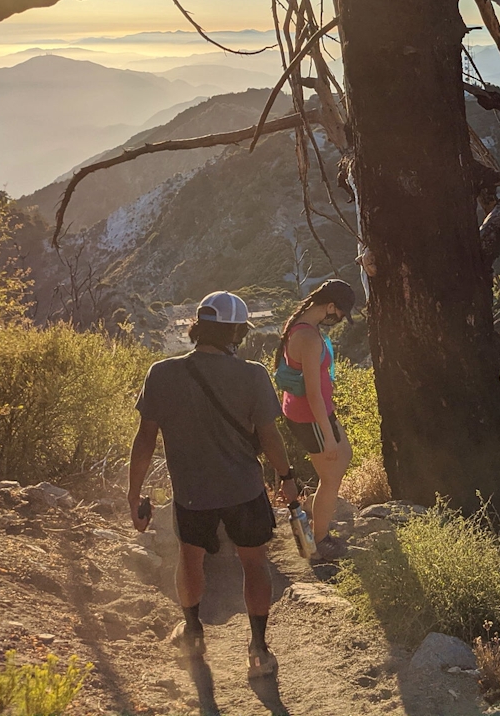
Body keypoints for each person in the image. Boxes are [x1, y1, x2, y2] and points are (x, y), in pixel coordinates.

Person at [127, 291, 300, 680]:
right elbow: (270, 437)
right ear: (236, 332)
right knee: (254, 563)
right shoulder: (253, 374)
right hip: (244, 491)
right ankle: (258, 650)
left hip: (192, 493)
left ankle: (192, 633)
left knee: (190, 560)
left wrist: (135, 493)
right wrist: (287, 479)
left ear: (197, 328)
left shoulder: (162, 373)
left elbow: (144, 438)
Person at [276, 278, 355, 562]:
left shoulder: (302, 326)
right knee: (331, 476)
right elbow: (312, 393)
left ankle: (315, 512)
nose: (340, 319)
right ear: (329, 306)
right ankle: (318, 540)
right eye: (340, 313)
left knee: (343, 457)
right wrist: (327, 434)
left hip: (315, 411)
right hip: (311, 416)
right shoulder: (307, 337)